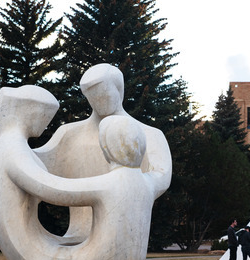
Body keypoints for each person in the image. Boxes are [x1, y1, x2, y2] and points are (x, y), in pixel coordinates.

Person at [0, 85, 165, 260]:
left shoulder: (13, 148)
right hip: (29, 248)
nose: (45, 125)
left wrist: (106, 187)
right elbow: (49, 187)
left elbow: (52, 188)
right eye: (44, 117)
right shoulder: (13, 150)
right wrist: (108, 187)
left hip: (83, 258)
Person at [34, 63, 171, 239]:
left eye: (104, 95)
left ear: (119, 90)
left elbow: (161, 176)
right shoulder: (68, 134)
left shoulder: (150, 135)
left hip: (126, 236)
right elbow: (35, 165)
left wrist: (123, 184)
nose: (99, 103)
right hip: (76, 236)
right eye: (93, 98)